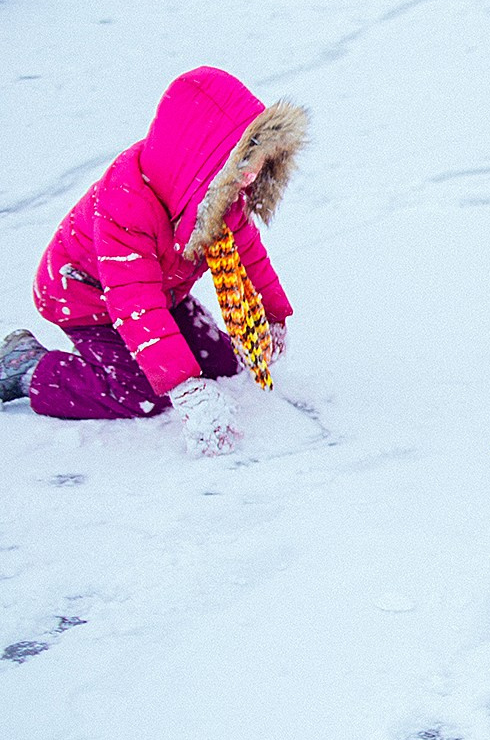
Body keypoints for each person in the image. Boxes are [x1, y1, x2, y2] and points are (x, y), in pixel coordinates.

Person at [0, 67, 301, 457]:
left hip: (162, 292)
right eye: (243, 165)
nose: (251, 176)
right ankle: (28, 367)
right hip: (86, 299)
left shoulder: (219, 196)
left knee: (224, 364)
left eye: (257, 163)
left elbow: (250, 254)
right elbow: (135, 306)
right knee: (144, 392)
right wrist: (185, 388)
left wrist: (275, 315)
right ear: (203, 161)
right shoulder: (125, 206)